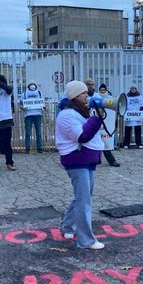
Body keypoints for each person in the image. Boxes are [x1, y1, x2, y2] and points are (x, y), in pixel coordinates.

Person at [55, 80, 105, 250]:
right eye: (83, 93)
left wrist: (95, 116)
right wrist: (97, 118)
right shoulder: (67, 114)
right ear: (74, 96)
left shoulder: (81, 112)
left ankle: (68, 226)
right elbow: (82, 136)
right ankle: (86, 241)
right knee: (84, 201)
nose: (87, 95)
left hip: (86, 158)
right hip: (77, 159)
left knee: (82, 197)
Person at [96, 83, 120, 167]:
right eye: (101, 90)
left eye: (104, 90)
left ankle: (112, 161)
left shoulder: (110, 99)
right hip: (96, 123)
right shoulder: (96, 97)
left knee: (106, 143)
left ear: (106, 90)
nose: (102, 91)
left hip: (106, 124)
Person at [21, 81, 44, 154]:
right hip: (29, 115)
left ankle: (39, 148)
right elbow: (21, 104)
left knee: (38, 133)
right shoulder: (24, 94)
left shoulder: (39, 93)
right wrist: (23, 108)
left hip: (36, 114)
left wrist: (43, 106)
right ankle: (28, 148)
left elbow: (43, 102)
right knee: (29, 132)